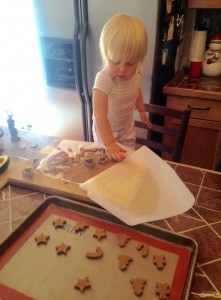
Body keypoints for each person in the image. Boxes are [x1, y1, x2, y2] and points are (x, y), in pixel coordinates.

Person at [92, 13, 152, 161]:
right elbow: (99, 115)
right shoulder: (104, 79)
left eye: (130, 63)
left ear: (139, 59)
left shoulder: (138, 71)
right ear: (107, 55)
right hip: (105, 131)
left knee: (126, 162)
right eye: (115, 61)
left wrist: (142, 110)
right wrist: (110, 143)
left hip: (126, 129)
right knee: (106, 164)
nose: (122, 69)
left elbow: (136, 90)